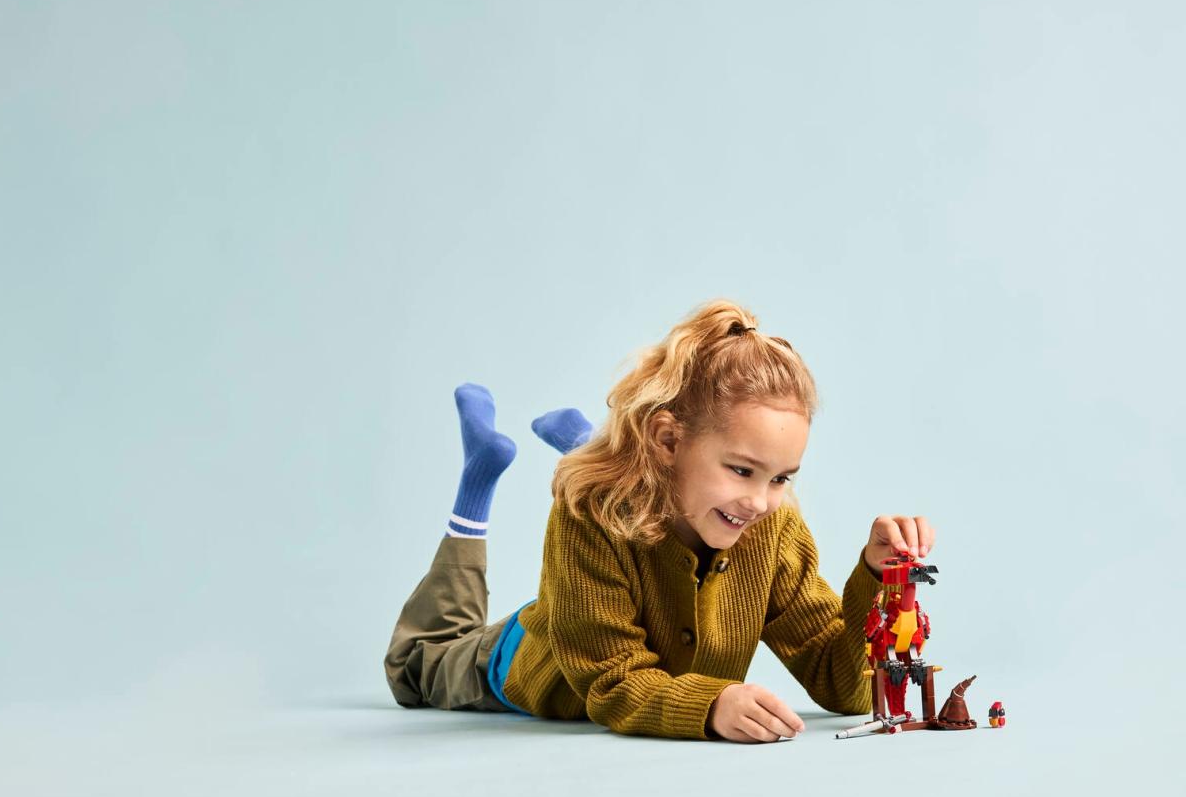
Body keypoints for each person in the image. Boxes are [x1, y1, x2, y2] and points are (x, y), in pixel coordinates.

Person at [383, 299, 936, 743]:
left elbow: (844, 687)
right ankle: (482, 482)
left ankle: (594, 447)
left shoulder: (773, 528)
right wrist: (710, 705)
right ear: (669, 440)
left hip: (630, 544)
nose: (761, 501)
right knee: (417, 663)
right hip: (527, 653)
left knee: (632, 494)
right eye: (742, 470)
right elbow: (611, 681)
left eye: (780, 478)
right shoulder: (587, 514)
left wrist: (876, 579)